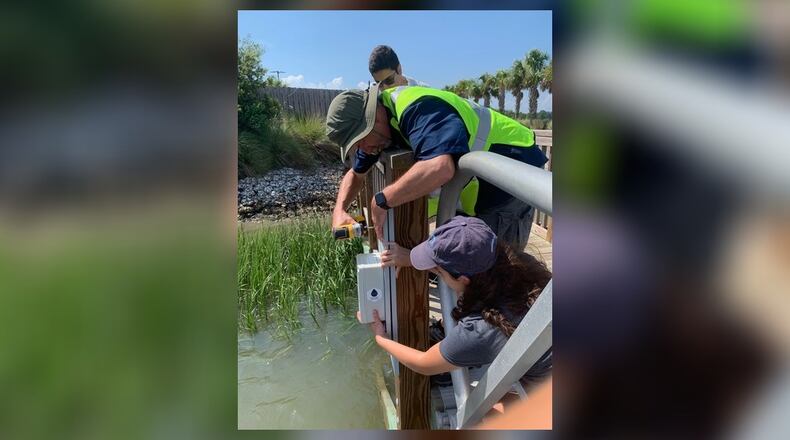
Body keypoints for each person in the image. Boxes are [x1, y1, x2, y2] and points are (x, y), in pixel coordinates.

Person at [326, 81, 547, 250]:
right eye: (356, 145)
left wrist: (381, 201)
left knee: (496, 267)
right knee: (472, 262)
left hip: (511, 167)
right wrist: (339, 210)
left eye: (361, 139)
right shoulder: (379, 134)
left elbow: (441, 167)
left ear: (373, 117)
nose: (363, 148)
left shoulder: (418, 108)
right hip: (478, 183)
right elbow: (356, 174)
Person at [358, 216, 553, 403]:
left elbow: (424, 363)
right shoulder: (520, 266)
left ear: (463, 280)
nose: (437, 273)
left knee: (488, 415)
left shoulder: (482, 328)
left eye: (439, 271)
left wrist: (381, 338)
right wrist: (410, 258)